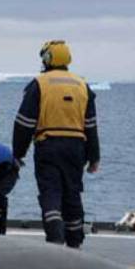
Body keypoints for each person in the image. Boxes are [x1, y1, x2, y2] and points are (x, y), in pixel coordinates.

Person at [12, 40, 100, 248]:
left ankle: (54, 236)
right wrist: (94, 156)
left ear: (47, 59)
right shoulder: (82, 86)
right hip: (76, 147)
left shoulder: (40, 84)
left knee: (51, 192)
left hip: (48, 145)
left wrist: (18, 153)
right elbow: (91, 126)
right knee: (72, 193)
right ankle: (75, 241)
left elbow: (24, 123)